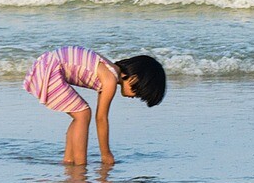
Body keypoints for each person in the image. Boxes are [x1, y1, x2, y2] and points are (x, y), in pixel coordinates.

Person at [23, 46, 166, 166]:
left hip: (46, 64)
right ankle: (80, 165)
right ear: (134, 78)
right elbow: (101, 118)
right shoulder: (110, 80)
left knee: (81, 114)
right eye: (139, 93)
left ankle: (69, 160)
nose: (135, 97)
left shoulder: (109, 69)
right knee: (83, 114)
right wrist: (106, 154)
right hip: (51, 68)